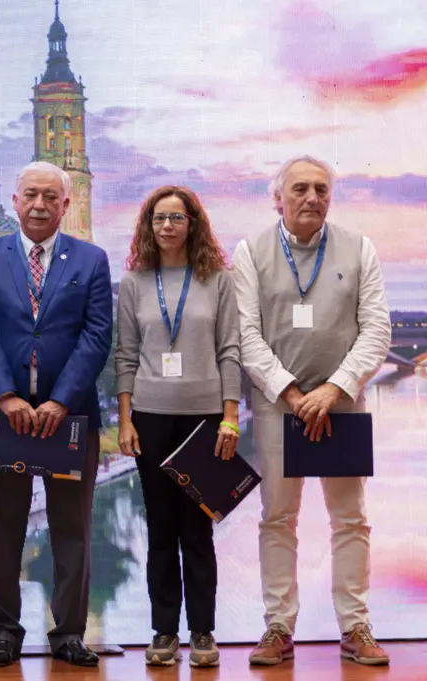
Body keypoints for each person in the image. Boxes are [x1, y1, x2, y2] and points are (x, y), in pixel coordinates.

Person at [234, 155, 392, 667]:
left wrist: (335, 388)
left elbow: (377, 331)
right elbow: (247, 334)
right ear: (276, 197)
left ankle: (356, 626)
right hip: (280, 409)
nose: (312, 197)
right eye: (299, 188)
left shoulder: (359, 248)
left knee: (351, 519)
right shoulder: (250, 252)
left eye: (321, 188)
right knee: (277, 518)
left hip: (341, 409)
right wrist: (293, 394)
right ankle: (278, 628)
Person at [0, 161, 112, 668]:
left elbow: (97, 337)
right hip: (0, 417)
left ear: (66, 205)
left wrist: (61, 400)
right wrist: (6, 396)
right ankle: (3, 632)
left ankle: (69, 632)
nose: (40, 205)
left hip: (69, 418)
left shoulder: (91, 260)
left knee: (71, 529)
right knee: (1, 529)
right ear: (14, 199)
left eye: (51, 197)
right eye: (31, 194)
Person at [114, 186, 240, 668]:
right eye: (158, 219)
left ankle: (203, 633)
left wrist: (230, 417)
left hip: (205, 419)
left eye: (176, 218)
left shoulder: (217, 280)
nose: (167, 226)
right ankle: (165, 633)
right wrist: (125, 419)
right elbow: (125, 355)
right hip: (149, 417)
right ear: (148, 226)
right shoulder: (133, 282)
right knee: (161, 530)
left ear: (193, 223)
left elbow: (230, 350)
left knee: (198, 532)